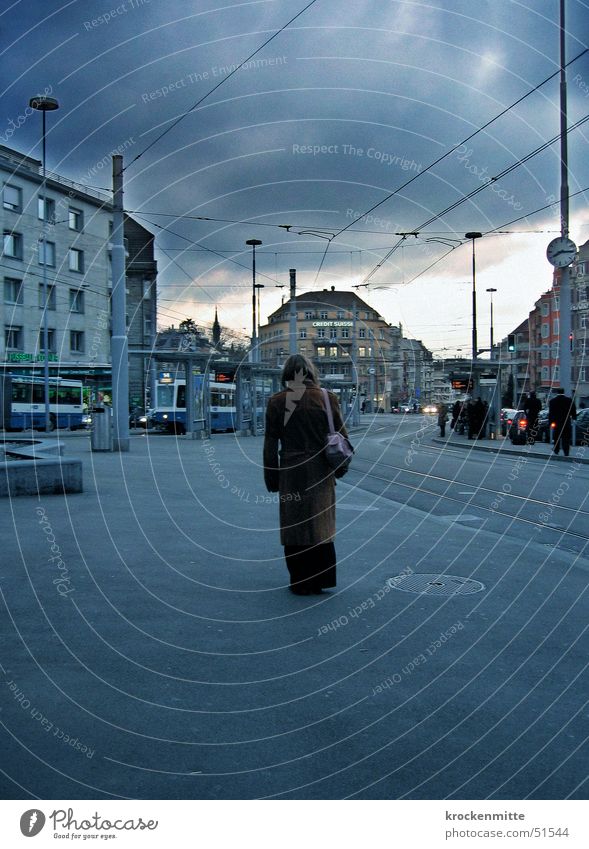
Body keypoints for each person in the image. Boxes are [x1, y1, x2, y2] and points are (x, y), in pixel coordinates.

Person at [263, 354, 349, 595]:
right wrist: (340, 468)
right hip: (320, 470)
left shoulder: (277, 401)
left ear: (286, 375)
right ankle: (322, 579)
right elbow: (342, 436)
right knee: (321, 524)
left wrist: (272, 477)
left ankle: (300, 581)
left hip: (291, 471)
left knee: (295, 525)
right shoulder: (326, 398)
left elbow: (270, 443)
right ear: (311, 372)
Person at [548, 388, 577, 457]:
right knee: (566, 437)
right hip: (566, 422)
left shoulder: (552, 401)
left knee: (556, 436)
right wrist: (574, 418)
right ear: (563, 392)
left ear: (557, 392)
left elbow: (551, 413)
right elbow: (573, 410)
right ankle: (566, 451)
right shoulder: (569, 400)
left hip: (556, 422)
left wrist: (550, 422)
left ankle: (556, 449)